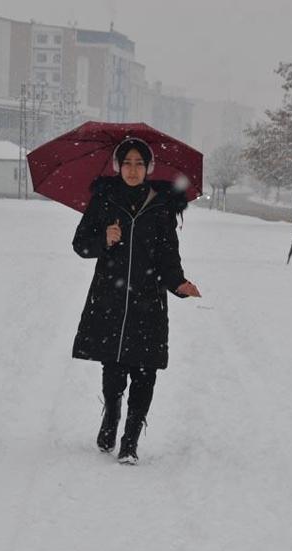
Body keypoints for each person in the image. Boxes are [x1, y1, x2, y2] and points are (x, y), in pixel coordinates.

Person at [72, 138, 201, 465]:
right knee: (114, 370)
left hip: (149, 301)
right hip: (110, 299)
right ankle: (112, 415)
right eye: (127, 163)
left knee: (145, 373)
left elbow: (168, 256)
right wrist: (104, 239)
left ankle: (129, 441)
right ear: (118, 166)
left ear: (148, 168)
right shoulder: (104, 200)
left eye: (139, 163)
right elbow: (80, 244)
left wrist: (179, 283)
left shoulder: (161, 205)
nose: (133, 170)